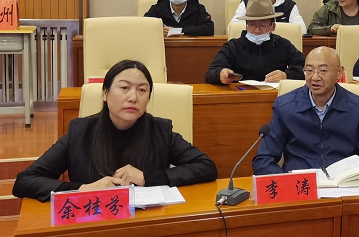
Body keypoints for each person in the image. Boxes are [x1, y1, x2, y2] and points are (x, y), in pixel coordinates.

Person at [12, 60, 217, 202]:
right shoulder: (81, 132)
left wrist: (147, 178)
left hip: (146, 226)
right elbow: (24, 181)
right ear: (105, 93)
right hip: (92, 225)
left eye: (142, 90)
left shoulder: (160, 131)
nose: (133, 97)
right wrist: (83, 189)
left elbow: (206, 167)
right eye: (124, 88)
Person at [252, 47, 359, 174]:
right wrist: (286, 182)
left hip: (343, 184)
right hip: (300, 184)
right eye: (309, 70)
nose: (315, 77)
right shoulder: (285, 106)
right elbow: (263, 160)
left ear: (339, 72)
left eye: (323, 70)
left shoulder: (357, 108)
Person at [206, 0, 305, 85]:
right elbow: (210, 73)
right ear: (246, 25)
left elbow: (306, 69)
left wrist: (286, 75)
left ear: (273, 26)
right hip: (242, 94)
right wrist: (220, 75)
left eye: (262, 25)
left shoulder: (283, 45)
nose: (257, 30)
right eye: (252, 25)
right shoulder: (233, 47)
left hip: (276, 95)